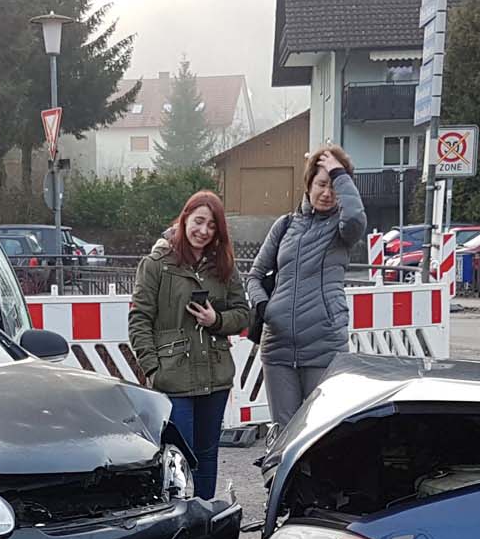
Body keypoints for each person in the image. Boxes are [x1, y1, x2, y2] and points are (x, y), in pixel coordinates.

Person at [130, 190, 249, 499]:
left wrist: (216, 320)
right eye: (198, 221)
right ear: (184, 220)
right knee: (178, 457)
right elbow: (139, 320)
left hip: (215, 375)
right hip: (174, 378)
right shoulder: (156, 264)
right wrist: (153, 369)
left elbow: (243, 313)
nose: (204, 231)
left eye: (212, 226)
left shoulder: (224, 266)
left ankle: (205, 518)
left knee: (208, 454)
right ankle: (176, 524)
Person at [249, 144, 366, 428]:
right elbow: (254, 276)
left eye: (335, 186)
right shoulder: (285, 225)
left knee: (320, 432)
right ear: (309, 184)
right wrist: (266, 308)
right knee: (284, 432)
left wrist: (340, 172)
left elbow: (355, 218)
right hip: (278, 347)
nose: (327, 193)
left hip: (324, 346)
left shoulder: (342, 229)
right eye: (321, 184)